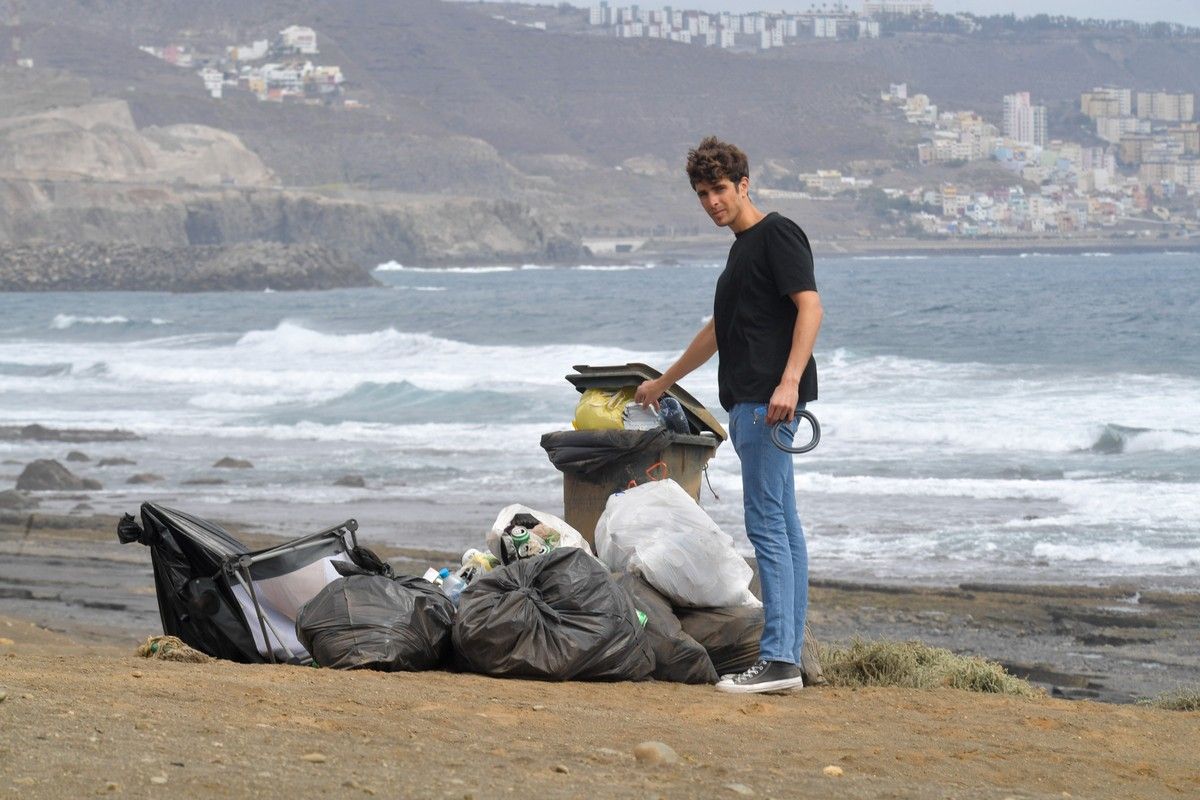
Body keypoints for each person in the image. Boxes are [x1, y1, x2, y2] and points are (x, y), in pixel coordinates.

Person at [634, 136, 822, 694]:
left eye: (719, 189)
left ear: (744, 184)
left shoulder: (776, 234)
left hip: (769, 404)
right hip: (749, 404)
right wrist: (665, 382)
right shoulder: (740, 250)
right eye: (701, 193)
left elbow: (809, 306)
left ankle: (780, 661)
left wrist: (788, 382)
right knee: (784, 526)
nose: (712, 201)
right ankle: (791, 654)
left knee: (768, 527)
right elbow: (718, 330)